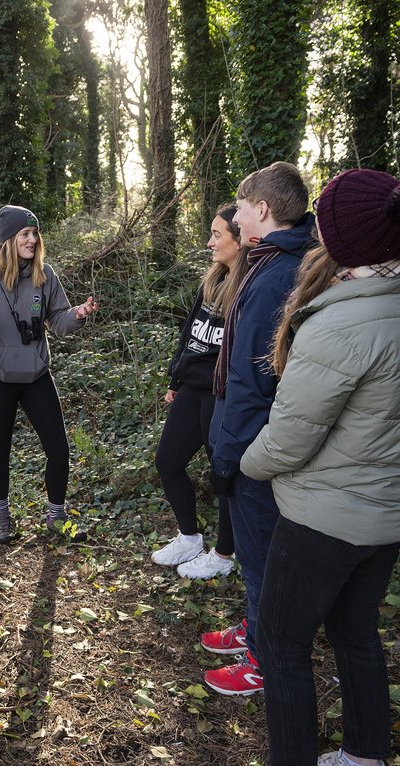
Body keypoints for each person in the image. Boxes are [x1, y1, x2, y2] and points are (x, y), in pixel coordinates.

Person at [245, 170, 400, 766]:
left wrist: (241, 465)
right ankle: (365, 755)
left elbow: (287, 441)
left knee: (281, 646)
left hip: (325, 519)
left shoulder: (340, 325)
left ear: (342, 240)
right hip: (390, 510)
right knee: (355, 633)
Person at [201, 161, 316, 696]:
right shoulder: (270, 262)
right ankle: (256, 631)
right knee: (254, 552)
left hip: (255, 445)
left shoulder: (275, 274)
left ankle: (265, 659)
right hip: (251, 435)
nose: (236, 212)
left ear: (262, 211)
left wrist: (228, 452)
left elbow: (253, 374)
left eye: (242, 205)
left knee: (262, 554)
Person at [0, 205, 98, 542]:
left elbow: (58, 321)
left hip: (36, 375)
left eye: (35, 234)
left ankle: (56, 516)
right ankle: (2, 516)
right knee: (0, 448)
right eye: (25, 235)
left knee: (59, 449)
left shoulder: (45, 275)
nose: (32, 240)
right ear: (7, 240)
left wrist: (78, 314)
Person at [151, 206, 248, 579]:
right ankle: (189, 538)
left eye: (217, 234)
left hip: (219, 392)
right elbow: (189, 332)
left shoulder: (248, 287)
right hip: (192, 387)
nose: (210, 242)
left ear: (239, 242)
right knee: (168, 460)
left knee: (222, 472)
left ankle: (225, 555)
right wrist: (176, 379)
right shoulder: (213, 279)